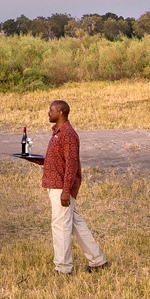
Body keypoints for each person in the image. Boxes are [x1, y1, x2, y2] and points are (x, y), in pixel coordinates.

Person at [42, 99, 109, 276]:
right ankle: (97, 260)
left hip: (61, 187)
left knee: (61, 226)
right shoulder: (58, 133)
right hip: (56, 184)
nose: (49, 113)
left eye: (51, 110)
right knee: (74, 224)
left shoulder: (68, 134)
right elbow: (60, 160)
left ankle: (63, 267)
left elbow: (71, 164)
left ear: (61, 113)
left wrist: (66, 190)